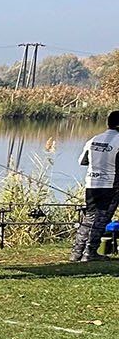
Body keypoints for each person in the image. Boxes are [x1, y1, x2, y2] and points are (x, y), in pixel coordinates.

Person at [69, 109, 119, 263]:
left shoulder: (94, 139)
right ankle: (90, 252)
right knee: (102, 219)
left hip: (91, 183)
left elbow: (82, 161)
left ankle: (77, 252)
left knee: (89, 217)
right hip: (111, 185)